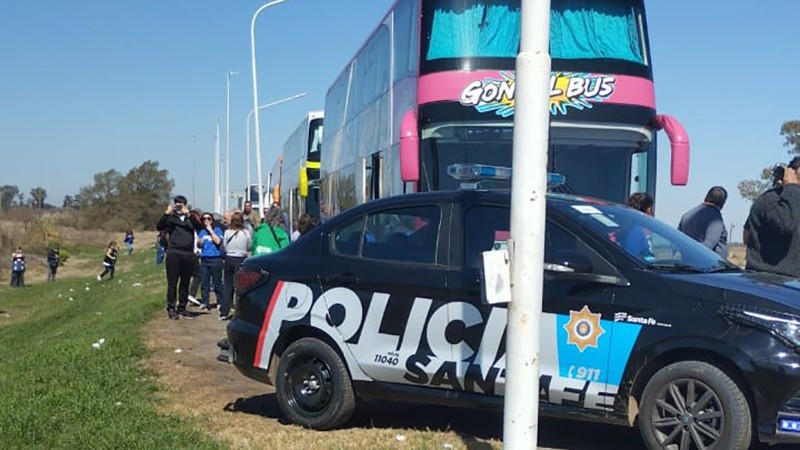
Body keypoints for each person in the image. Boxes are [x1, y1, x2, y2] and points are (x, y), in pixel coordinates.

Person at [744, 157, 800, 277]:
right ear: (790, 173)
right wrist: (792, 187)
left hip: (791, 280)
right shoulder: (770, 200)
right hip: (766, 279)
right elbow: (786, 223)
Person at [156, 195, 203, 320]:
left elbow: (200, 227)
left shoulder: (191, 217)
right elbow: (159, 227)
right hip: (174, 253)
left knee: (185, 282)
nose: (179, 207)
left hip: (188, 253)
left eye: (181, 205)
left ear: (186, 205)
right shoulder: (171, 218)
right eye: (177, 204)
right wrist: (166, 214)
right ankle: (171, 307)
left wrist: (189, 215)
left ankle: (182, 307)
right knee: (172, 283)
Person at [677, 186, 729, 258]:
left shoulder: (687, 215)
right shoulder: (715, 219)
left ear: (706, 197)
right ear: (723, 204)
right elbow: (709, 244)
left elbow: (677, 240)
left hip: (686, 259)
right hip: (709, 262)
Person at [221, 211, 252, 320]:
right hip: (241, 259)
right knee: (241, 287)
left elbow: (224, 246)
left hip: (229, 258)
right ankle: (241, 312)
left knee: (228, 286)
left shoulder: (227, 232)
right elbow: (249, 246)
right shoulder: (246, 233)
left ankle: (224, 312)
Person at [197, 212, 224, 311]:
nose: (206, 220)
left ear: (212, 220)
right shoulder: (202, 232)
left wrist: (210, 231)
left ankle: (220, 302)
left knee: (217, 282)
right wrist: (200, 243)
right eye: (204, 219)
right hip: (205, 259)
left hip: (216, 258)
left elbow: (218, 242)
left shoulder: (218, 230)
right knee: (204, 282)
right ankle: (205, 302)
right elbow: (199, 245)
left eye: (208, 218)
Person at [621, 193, 655, 261]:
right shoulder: (636, 231)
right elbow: (631, 259)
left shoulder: (634, 229)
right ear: (649, 210)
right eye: (652, 209)